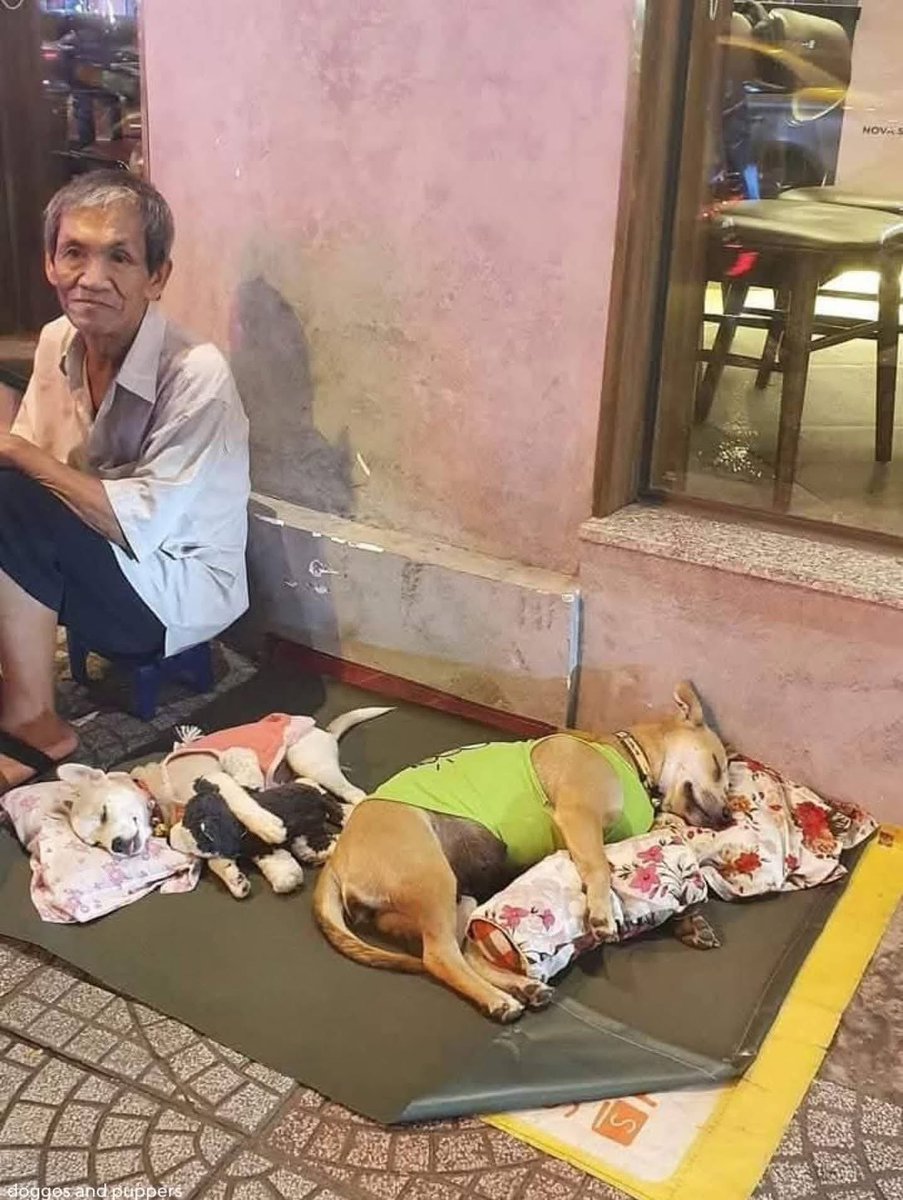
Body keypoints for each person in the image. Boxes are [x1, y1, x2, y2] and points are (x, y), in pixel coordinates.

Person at [0, 170, 250, 790]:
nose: (92, 278)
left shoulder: (197, 374)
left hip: (172, 593)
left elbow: (136, 522)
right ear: (50, 264)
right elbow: (32, 447)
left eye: (120, 257)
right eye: (74, 253)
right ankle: (16, 684)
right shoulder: (60, 340)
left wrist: (14, 454)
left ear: (156, 277)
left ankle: (37, 721)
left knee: (11, 492)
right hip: (97, 557)